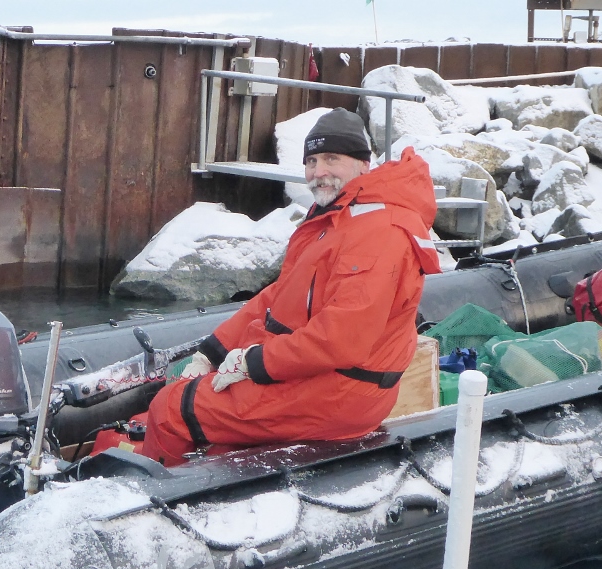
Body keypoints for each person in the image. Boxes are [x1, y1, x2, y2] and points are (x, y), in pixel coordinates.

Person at [141, 108, 440, 464]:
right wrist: (214, 350)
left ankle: (158, 506)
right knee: (191, 399)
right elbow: (281, 294)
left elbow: (340, 339)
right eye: (311, 161)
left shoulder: (378, 232)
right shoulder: (344, 218)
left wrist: (254, 362)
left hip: (338, 392)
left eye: (332, 159)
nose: (319, 172)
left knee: (170, 409)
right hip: (321, 378)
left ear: (364, 164)